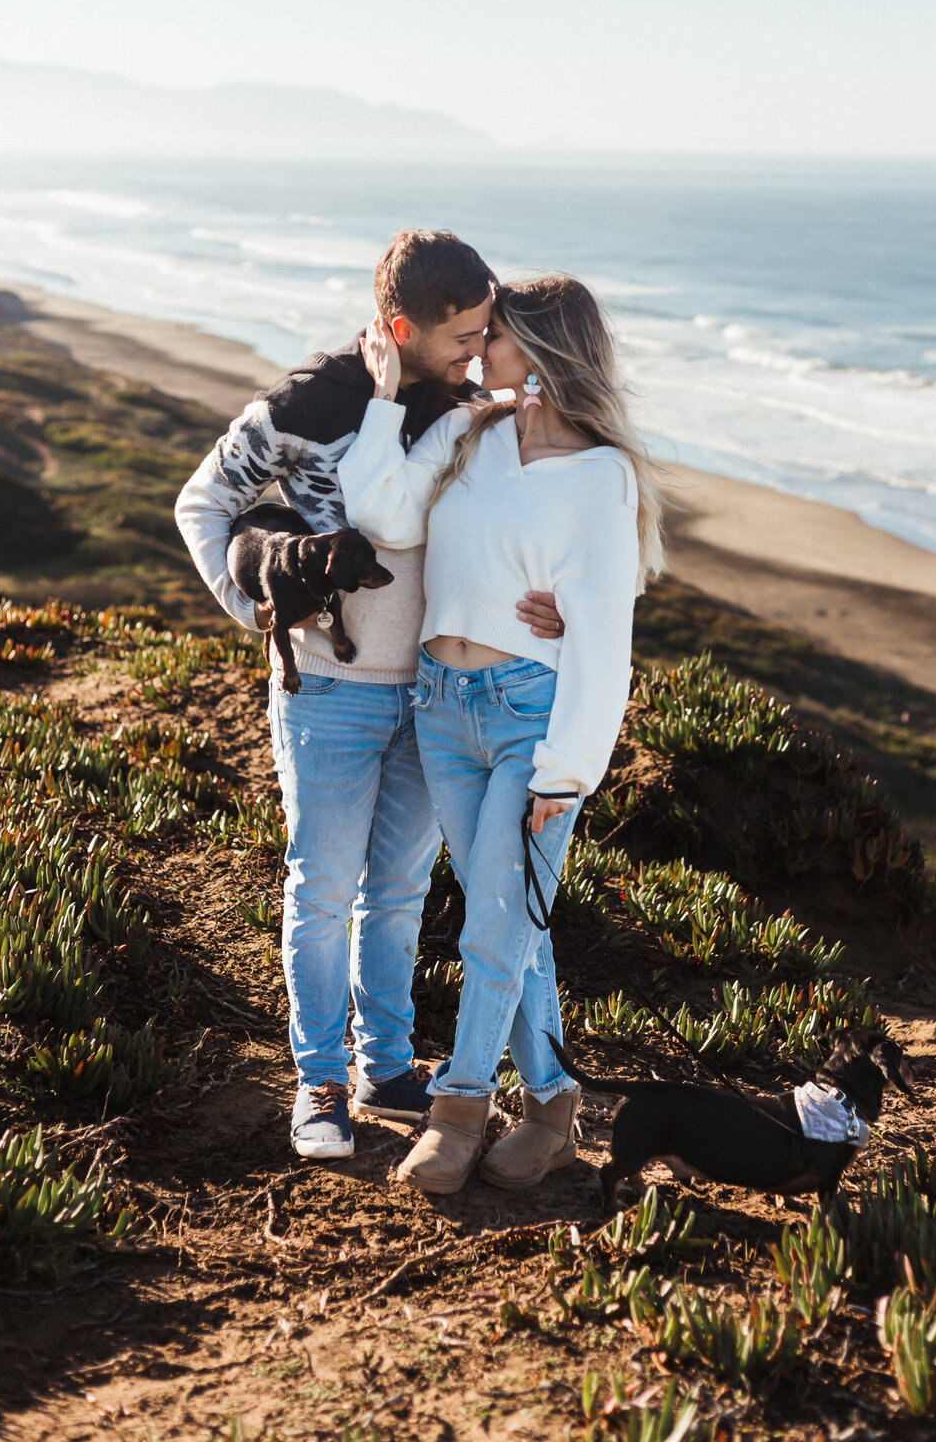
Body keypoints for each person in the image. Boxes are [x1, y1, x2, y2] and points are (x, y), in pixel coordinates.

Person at [175, 230, 563, 1161]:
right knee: (323, 889)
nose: (480, 349)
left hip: (438, 690)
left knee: (396, 890)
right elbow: (201, 504)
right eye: (464, 335)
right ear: (402, 325)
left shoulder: (467, 401)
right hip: (333, 692)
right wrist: (259, 612)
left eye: (485, 333)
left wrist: (546, 600)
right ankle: (316, 1084)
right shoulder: (306, 404)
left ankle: (384, 1066)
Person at [338, 274, 664, 1193]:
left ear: (548, 348)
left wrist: (566, 772)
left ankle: (462, 1105)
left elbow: (604, 632)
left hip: (531, 717)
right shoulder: (472, 429)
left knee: (493, 922)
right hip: (441, 709)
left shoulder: (603, 475)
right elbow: (383, 513)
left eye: (500, 337)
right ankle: (554, 1103)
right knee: (513, 919)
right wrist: (381, 402)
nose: (481, 350)